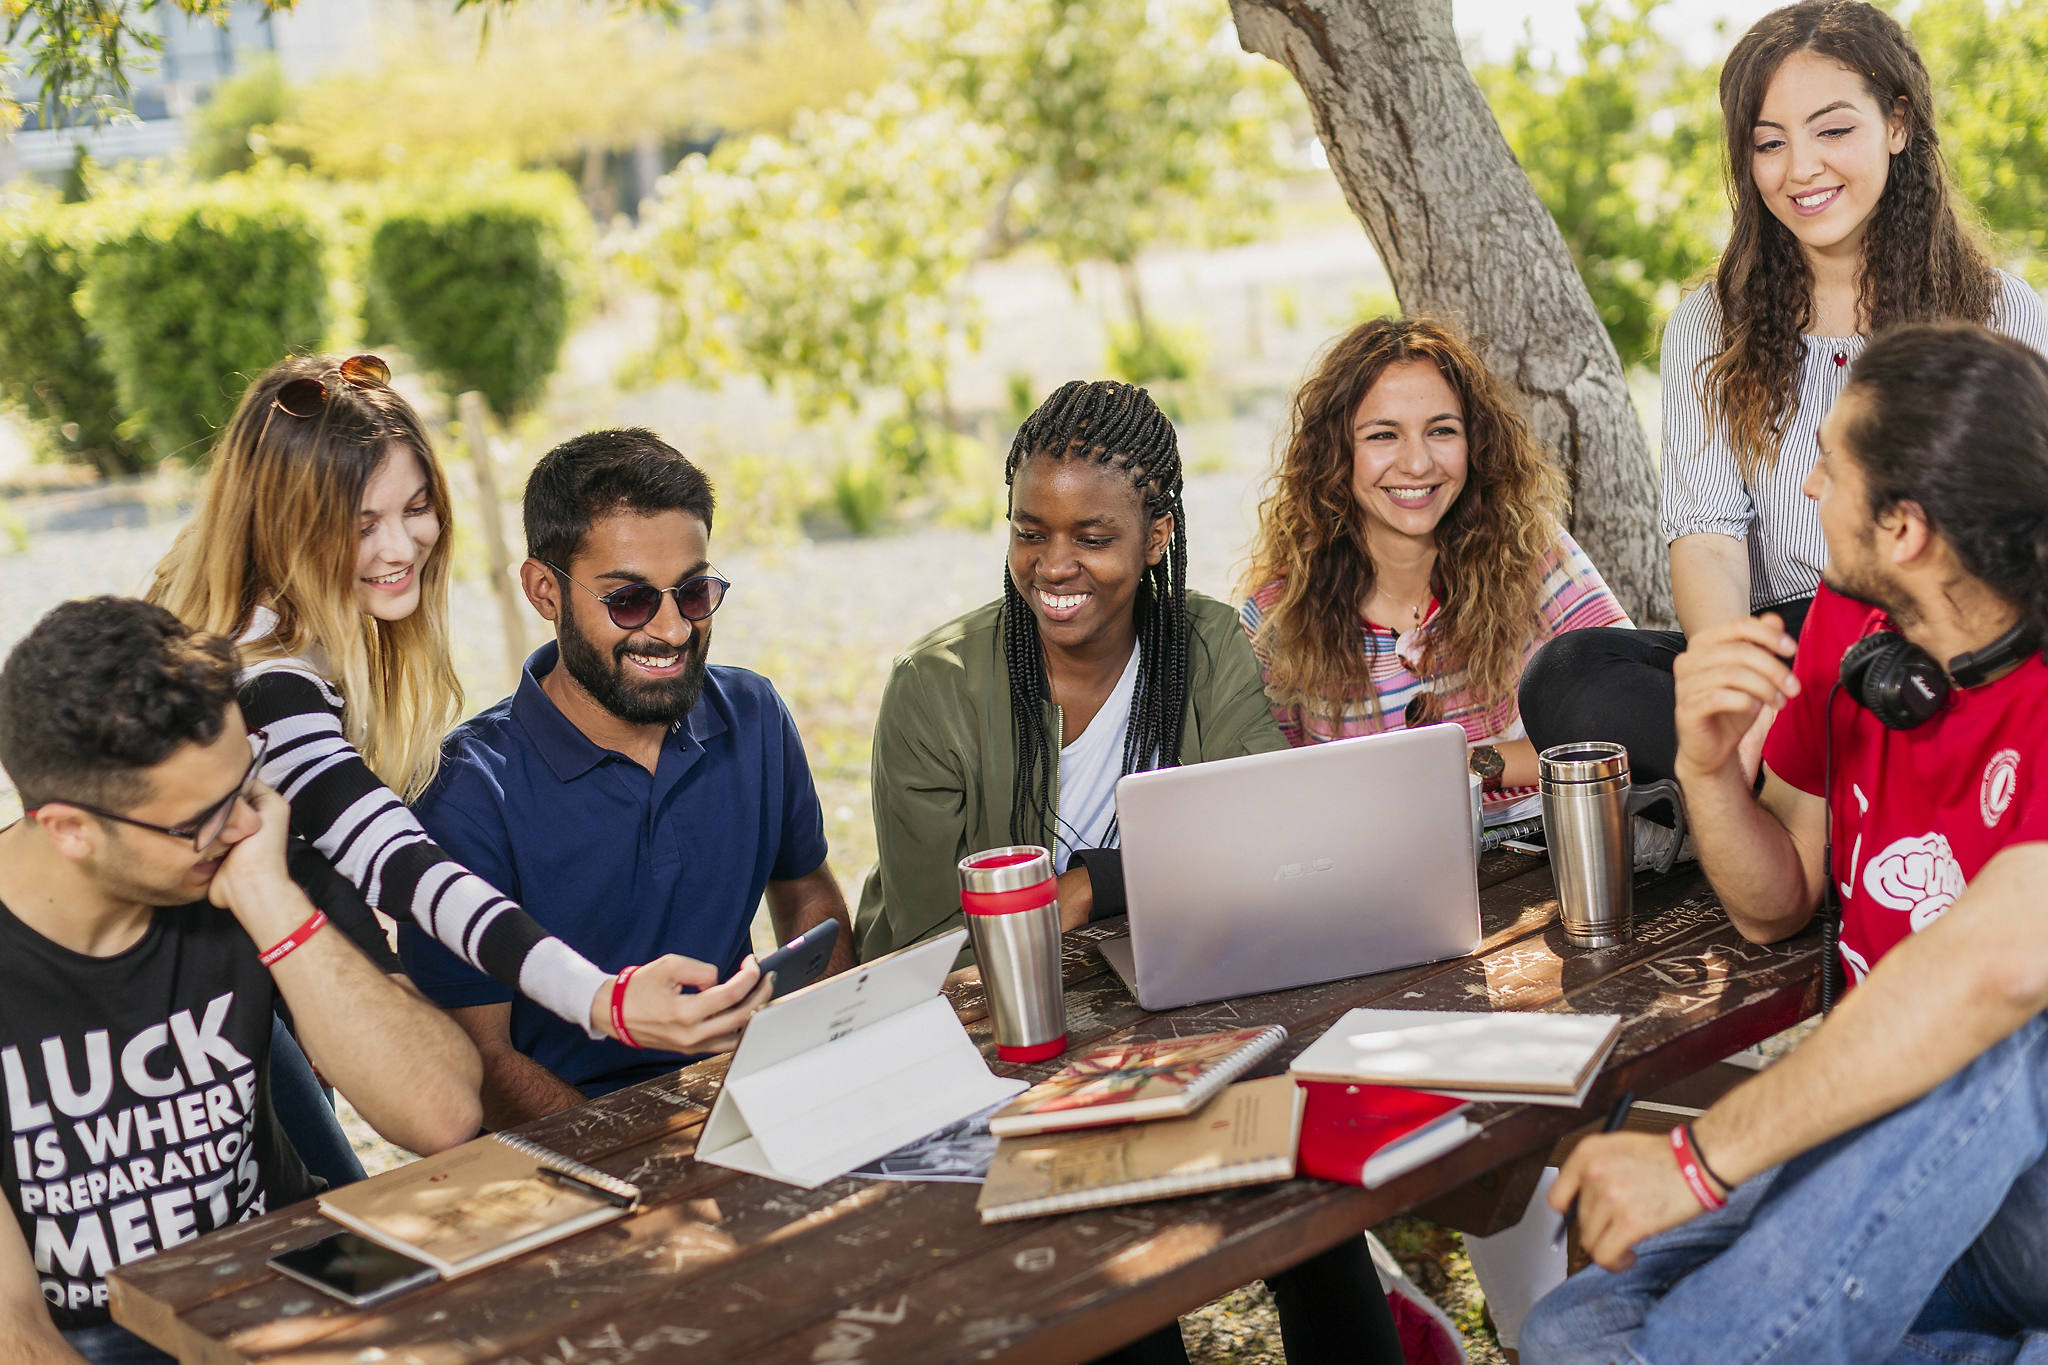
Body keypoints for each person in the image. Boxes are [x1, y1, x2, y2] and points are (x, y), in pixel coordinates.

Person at [1521, 322, 2048, 1364]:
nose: (1804, 489)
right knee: (1571, 1329)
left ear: (1901, 526)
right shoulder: (1854, 632)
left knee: (2004, 1022)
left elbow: (1997, 962)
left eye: (1827, 465)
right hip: (1898, 1163)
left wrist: (1695, 1161)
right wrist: (1707, 766)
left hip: (2018, 1170)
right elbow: (1775, 905)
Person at [853, 380, 1403, 1365]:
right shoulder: (935, 689)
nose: (1052, 565)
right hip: (995, 1050)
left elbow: (1265, 843)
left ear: (1155, 537)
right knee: (1113, 1290)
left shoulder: (1201, 644)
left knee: (1311, 1218)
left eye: (1091, 537)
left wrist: (1094, 885)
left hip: (1170, 1020)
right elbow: (933, 947)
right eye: (1030, 532)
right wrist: (1119, 895)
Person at [147, 355, 768, 1066]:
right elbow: (404, 867)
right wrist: (606, 1000)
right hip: (158, 1021)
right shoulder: (265, 682)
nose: (399, 545)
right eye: (359, 524)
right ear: (286, 522)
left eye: (416, 508)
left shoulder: (274, 621)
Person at [1518, 0, 2048, 789]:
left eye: (1833, 130)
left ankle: (1792, 801)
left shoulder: (1997, 307)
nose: (1800, 168)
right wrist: (1743, 692)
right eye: (1769, 142)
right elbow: (1708, 539)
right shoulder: (1709, 324)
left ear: (1897, 123)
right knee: (1569, 671)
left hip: (1942, 636)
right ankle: (1820, 787)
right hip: (1792, 647)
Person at [0, 598, 483, 1365]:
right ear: (68, 827)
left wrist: (273, 907)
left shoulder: (256, 846)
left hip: (293, 1264)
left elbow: (444, 1114)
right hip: (97, 1334)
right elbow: (16, 1332)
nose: (245, 827)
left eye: (245, 785)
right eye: (200, 818)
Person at [397, 430, 850, 1128]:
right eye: (630, 601)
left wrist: (824, 1047)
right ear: (545, 591)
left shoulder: (754, 714)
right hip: (572, 1146)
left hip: (741, 1102)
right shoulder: (464, 791)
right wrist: (641, 1153)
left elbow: (808, 893)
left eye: (695, 592)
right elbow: (480, 1060)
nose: (672, 629)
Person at [1240, 316, 1630, 818]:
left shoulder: (1532, 553)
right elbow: (1277, 798)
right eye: (1383, 435)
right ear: (1336, 453)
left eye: (1441, 430)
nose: (1419, 463)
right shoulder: (1277, 615)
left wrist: (1466, 765)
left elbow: (1629, 722)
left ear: (1476, 442)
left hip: (1542, 862)